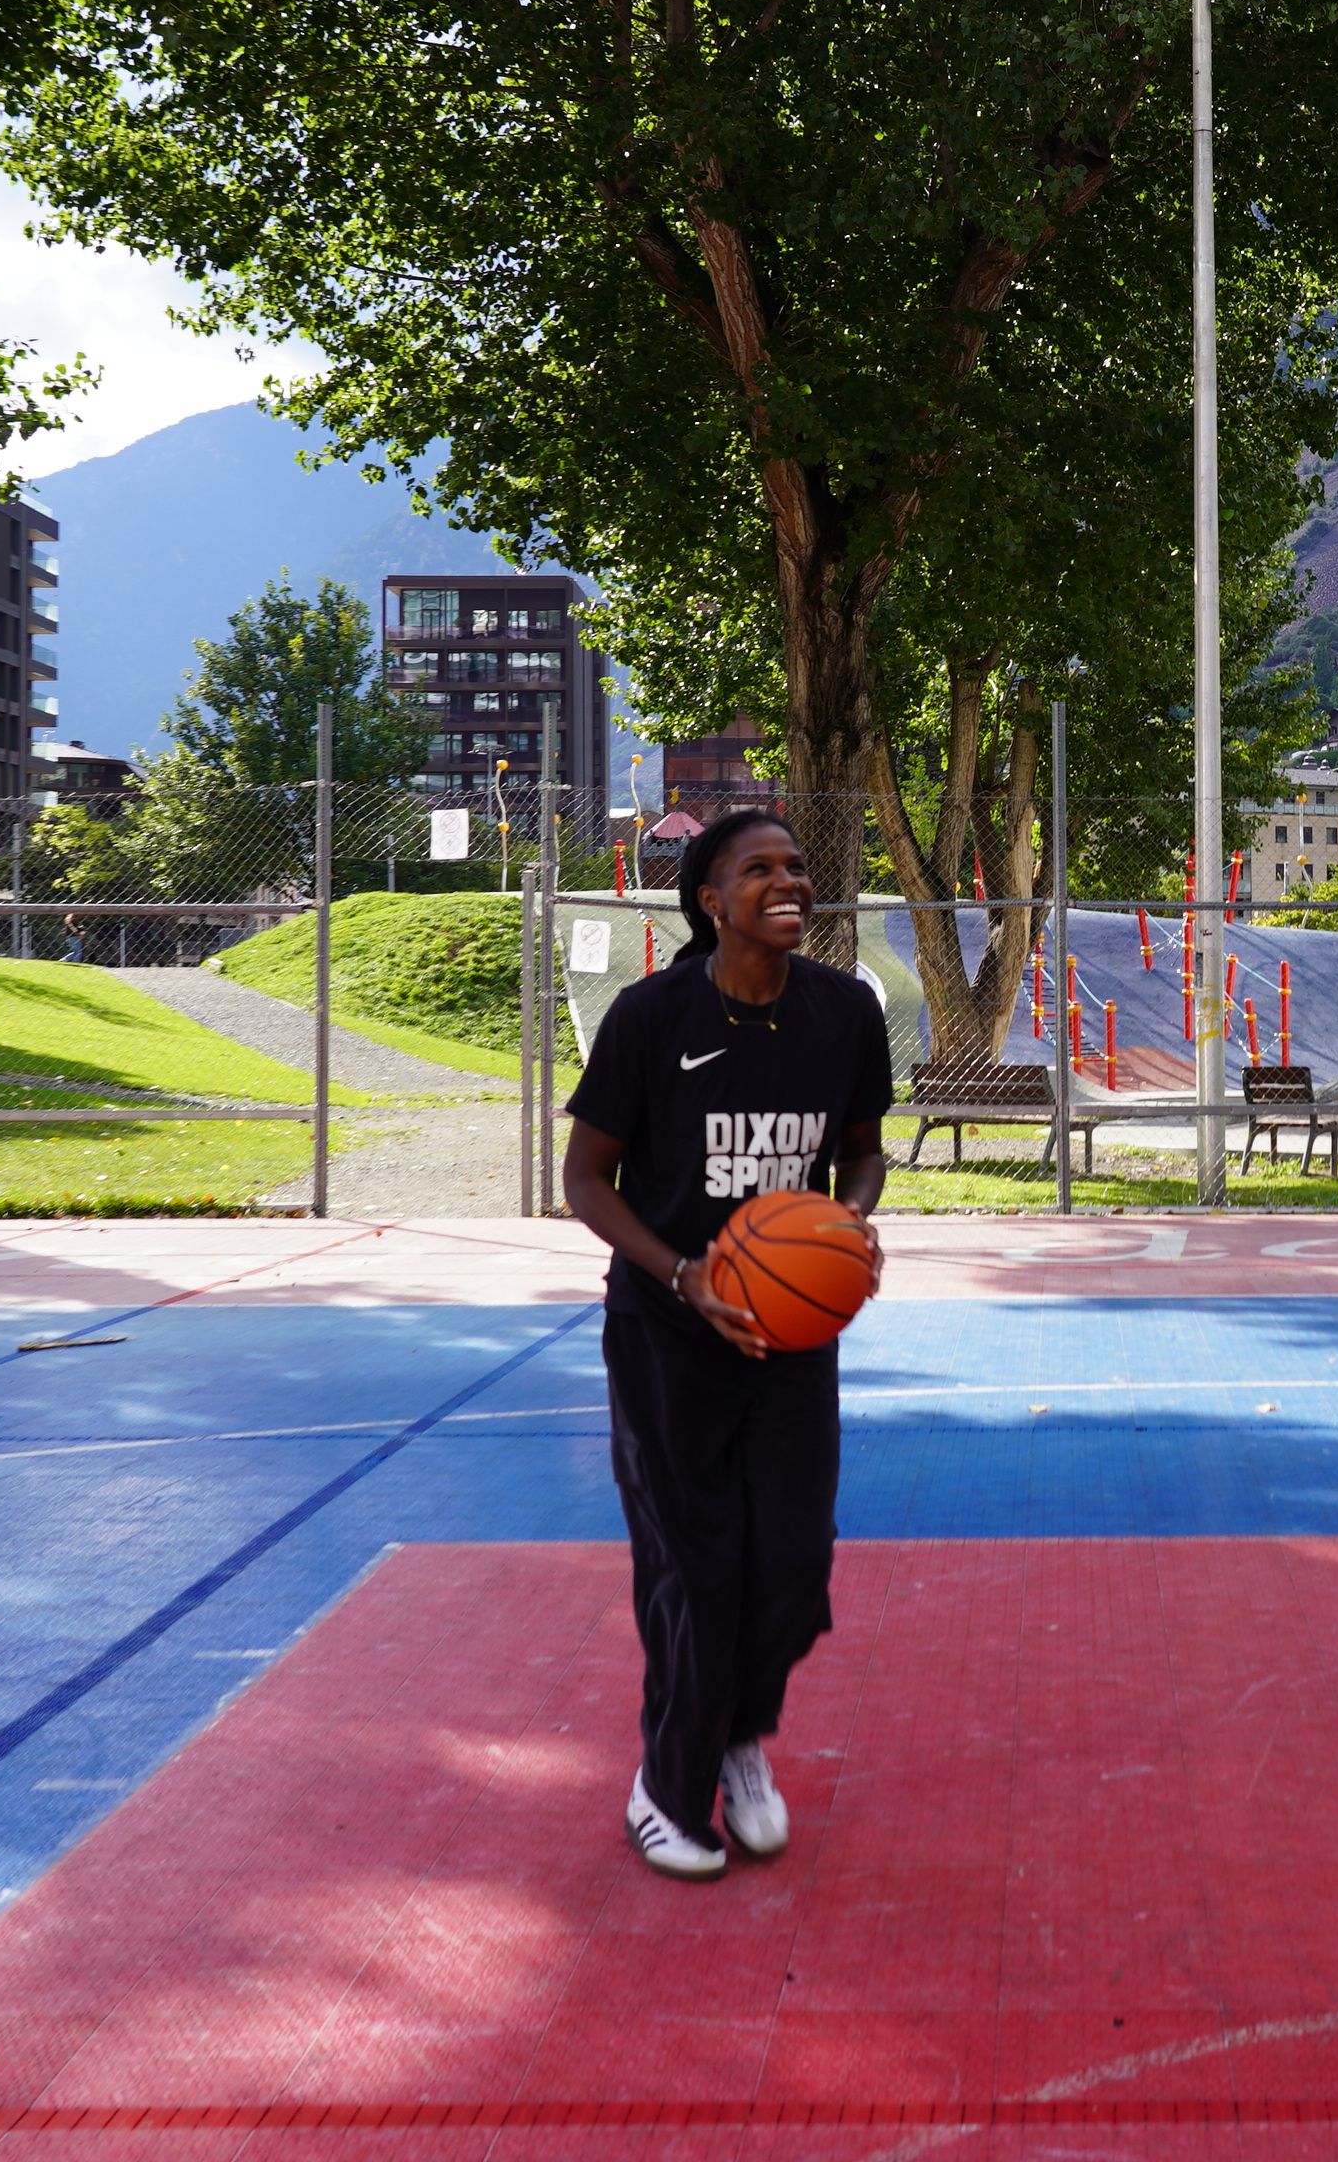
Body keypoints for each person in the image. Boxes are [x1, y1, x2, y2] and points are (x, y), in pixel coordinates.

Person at [561, 805, 890, 1879]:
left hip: (791, 1331)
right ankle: (668, 1785)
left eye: (798, 865)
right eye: (761, 869)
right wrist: (682, 1272)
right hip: (668, 1330)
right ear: (711, 897)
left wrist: (849, 1223)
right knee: (696, 1566)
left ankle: (740, 1733)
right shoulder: (651, 1017)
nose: (789, 881)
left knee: (793, 1558)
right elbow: (584, 1177)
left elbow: (862, 1152)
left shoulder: (845, 1012)